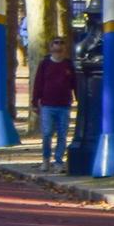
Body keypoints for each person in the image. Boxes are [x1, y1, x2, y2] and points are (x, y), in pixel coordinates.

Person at [33, 36, 77, 171]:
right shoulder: (45, 64)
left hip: (64, 105)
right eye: (55, 43)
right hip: (48, 105)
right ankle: (45, 159)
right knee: (47, 133)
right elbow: (38, 83)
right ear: (51, 47)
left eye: (62, 43)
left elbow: (75, 84)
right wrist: (35, 101)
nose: (59, 46)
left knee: (62, 134)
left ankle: (58, 161)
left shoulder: (69, 65)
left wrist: (79, 98)